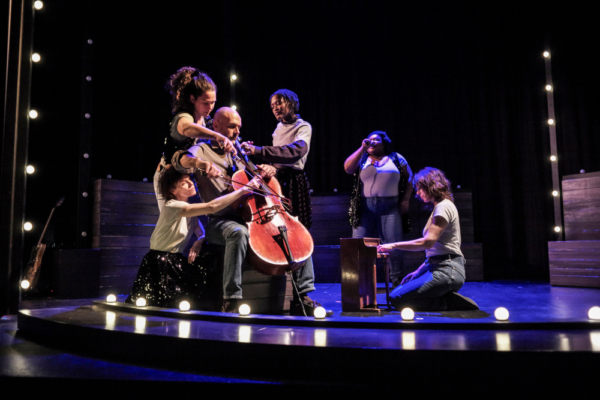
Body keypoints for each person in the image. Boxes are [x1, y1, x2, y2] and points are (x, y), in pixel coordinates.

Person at [173, 107, 330, 316]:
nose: (237, 132)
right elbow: (180, 159)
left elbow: (255, 181)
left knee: (294, 232)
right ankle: (231, 299)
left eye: (239, 127)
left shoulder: (238, 151)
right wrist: (200, 164)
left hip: (251, 215)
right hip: (220, 220)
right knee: (238, 233)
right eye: (232, 127)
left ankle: (303, 295)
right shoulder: (201, 149)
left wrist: (269, 169)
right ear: (216, 126)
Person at [127, 167, 259, 308]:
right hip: (159, 262)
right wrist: (244, 189)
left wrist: (198, 242)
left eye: (190, 179)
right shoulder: (173, 206)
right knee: (159, 305)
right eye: (184, 183)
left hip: (175, 260)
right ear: (173, 190)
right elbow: (212, 207)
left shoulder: (188, 209)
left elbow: (201, 233)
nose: (191, 183)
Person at [240, 89, 322, 316]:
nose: (275, 108)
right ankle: (285, 288)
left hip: (293, 182)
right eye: (272, 105)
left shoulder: (303, 126)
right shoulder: (277, 129)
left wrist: (259, 151)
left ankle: (303, 293)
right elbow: (278, 157)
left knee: (300, 233)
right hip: (277, 182)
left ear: (291, 102)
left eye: (279, 103)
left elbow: (295, 152)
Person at [377, 167, 478, 311]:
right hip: (439, 267)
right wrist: (418, 272)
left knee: (397, 298)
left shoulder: (443, 207)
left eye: (420, 188)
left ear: (430, 186)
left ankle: (447, 302)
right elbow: (436, 251)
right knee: (397, 295)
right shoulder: (441, 207)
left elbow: (428, 242)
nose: (417, 193)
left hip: (447, 270)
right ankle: (444, 297)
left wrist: (393, 245)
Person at [156, 66, 235, 211]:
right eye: (205, 103)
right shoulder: (183, 116)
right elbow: (187, 128)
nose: (210, 107)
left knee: (193, 223)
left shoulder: (207, 121)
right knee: (173, 223)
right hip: (170, 180)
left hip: (190, 180)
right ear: (192, 98)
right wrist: (217, 136)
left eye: (213, 102)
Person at [344, 131, 413, 286]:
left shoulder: (396, 158)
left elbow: (410, 178)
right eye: (370, 139)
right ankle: (360, 281)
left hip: (390, 207)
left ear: (384, 143)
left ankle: (397, 280)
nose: (372, 142)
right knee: (359, 244)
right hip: (365, 208)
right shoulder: (363, 158)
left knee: (394, 244)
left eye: (376, 139)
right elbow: (348, 168)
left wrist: (406, 199)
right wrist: (362, 148)